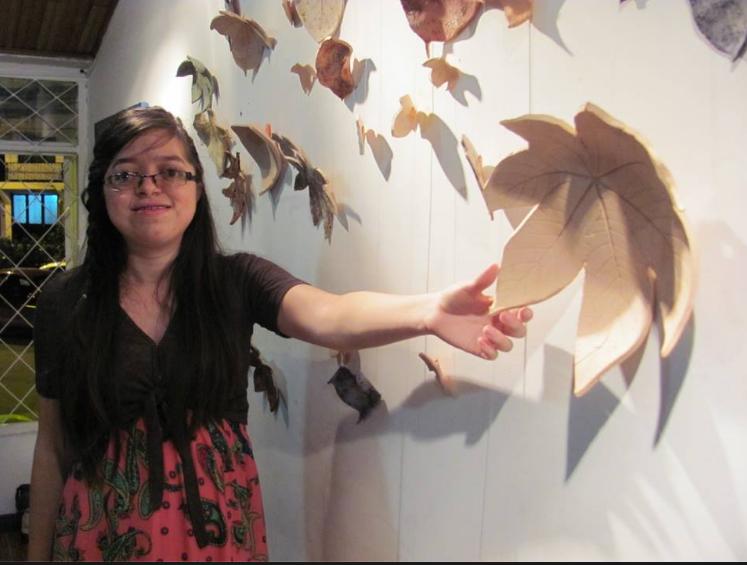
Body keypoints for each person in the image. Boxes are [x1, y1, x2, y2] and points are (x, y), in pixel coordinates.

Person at [28, 106, 531, 562]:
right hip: (101, 536)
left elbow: (332, 314)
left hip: (219, 537)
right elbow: (52, 447)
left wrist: (428, 312)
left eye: (170, 171)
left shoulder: (237, 280)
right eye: (125, 174)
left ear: (197, 188)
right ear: (101, 191)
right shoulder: (64, 302)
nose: (149, 186)